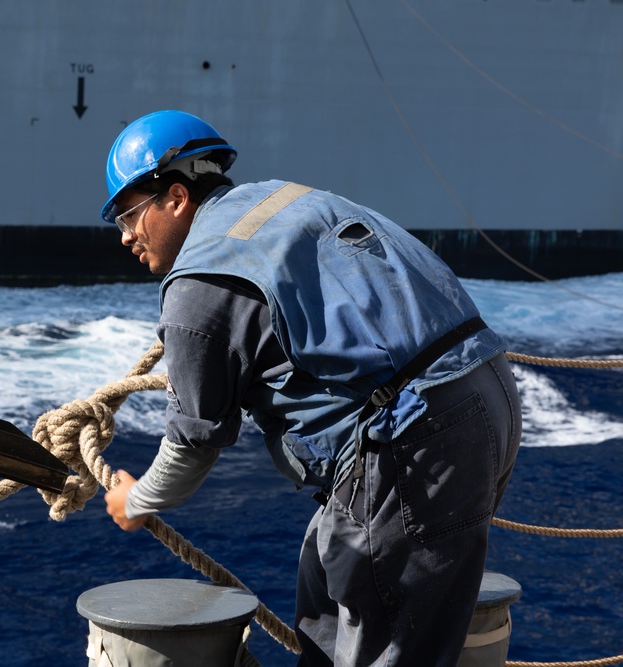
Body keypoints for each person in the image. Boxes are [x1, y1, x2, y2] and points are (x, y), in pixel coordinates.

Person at [101, 110, 522, 666]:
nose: (126, 236)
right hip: (486, 391)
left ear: (176, 198)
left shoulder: (197, 285)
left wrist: (135, 501)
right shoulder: (284, 201)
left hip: (415, 438)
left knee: (386, 647)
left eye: (129, 214)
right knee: (326, 580)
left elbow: (191, 447)